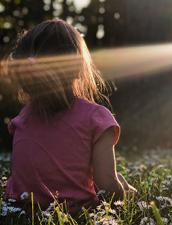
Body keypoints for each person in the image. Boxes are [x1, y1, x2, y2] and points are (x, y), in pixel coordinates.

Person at [4, 19, 136, 214]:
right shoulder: (96, 118)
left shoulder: (22, 119)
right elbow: (107, 186)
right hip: (74, 213)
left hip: (19, 209)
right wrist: (127, 194)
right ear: (76, 67)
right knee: (121, 184)